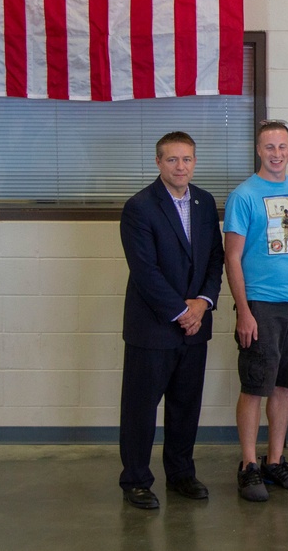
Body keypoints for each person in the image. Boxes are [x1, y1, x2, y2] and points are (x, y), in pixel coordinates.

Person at [118, 132, 224, 509]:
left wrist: (203, 303)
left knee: (185, 406)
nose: (181, 167)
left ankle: (181, 474)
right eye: (173, 160)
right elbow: (145, 271)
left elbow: (215, 259)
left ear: (195, 162)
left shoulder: (205, 202)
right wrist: (182, 311)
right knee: (140, 409)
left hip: (196, 328)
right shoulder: (139, 207)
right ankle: (136, 481)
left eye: (187, 159)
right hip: (153, 328)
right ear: (158, 163)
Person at [224, 120, 288, 501]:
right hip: (260, 305)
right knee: (255, 386)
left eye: (282, 147)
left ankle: (274, 461)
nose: (276, 154)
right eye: (269, 147)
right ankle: (248, 465)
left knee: (283, 386)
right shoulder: (243, 195)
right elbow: (232, 256)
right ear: (258, 150)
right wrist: (244, 311)